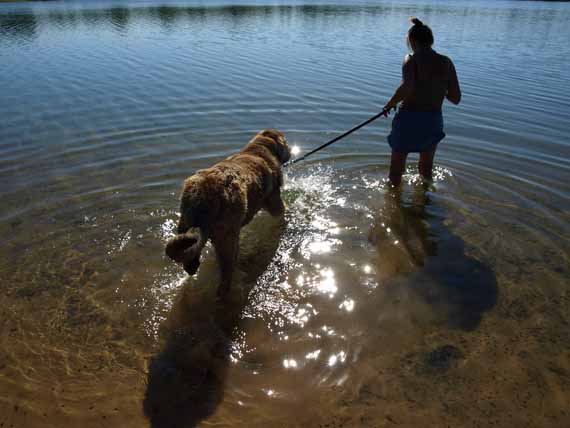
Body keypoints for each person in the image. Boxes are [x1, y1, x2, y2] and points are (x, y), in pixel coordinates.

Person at [383, 17, 461, 186]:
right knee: (426, 169)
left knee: (396, 170)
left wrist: (389, 104)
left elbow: (407, 87)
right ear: (430, 40)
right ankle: (424, 204)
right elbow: (455, 98)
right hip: (433, 120)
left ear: (412, 41)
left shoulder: (411, 59)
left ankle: (394, 203)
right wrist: (437, 89)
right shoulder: (446, 62)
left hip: (409, 118)